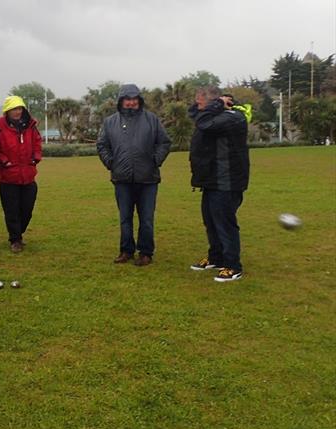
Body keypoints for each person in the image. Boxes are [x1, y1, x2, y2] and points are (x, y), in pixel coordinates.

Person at [96, 84, 171, 266]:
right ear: (121, 101)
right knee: (125, 218)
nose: (131, 103)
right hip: (122, 179)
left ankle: (146, 252)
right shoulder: (110, 122)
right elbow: (102, 145)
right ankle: (126, 250)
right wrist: (111, 163)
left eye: (134, 99)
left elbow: (164, 142)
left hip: (148, 179)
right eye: (127, 99)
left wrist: (155, 160)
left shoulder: (151, 120)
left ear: (139, 100)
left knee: (146, 219)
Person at [188, 85, 250, 282]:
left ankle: (233, 265)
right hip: (211, 180)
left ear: (214, 102)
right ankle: (216, 257)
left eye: (201, 101)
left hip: (227, 180)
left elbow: (204, 123)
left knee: (224, 223)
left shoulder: (232, 118)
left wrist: (215, 105)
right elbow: (195, 115)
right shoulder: (212, 115)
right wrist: (211, 105)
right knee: (211, 221)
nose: (198, 106)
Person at [0, 96, 42, 253]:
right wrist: (4, 161)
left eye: (20, 108)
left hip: (28, 174)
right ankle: (15, 239)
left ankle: (18, 233)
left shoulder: (30, 125)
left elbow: (37, 142)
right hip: (8, 176)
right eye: (14, 109)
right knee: (11, 210)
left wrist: (35, 158)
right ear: (7, 111)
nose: (18, 112)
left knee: (27, 209)